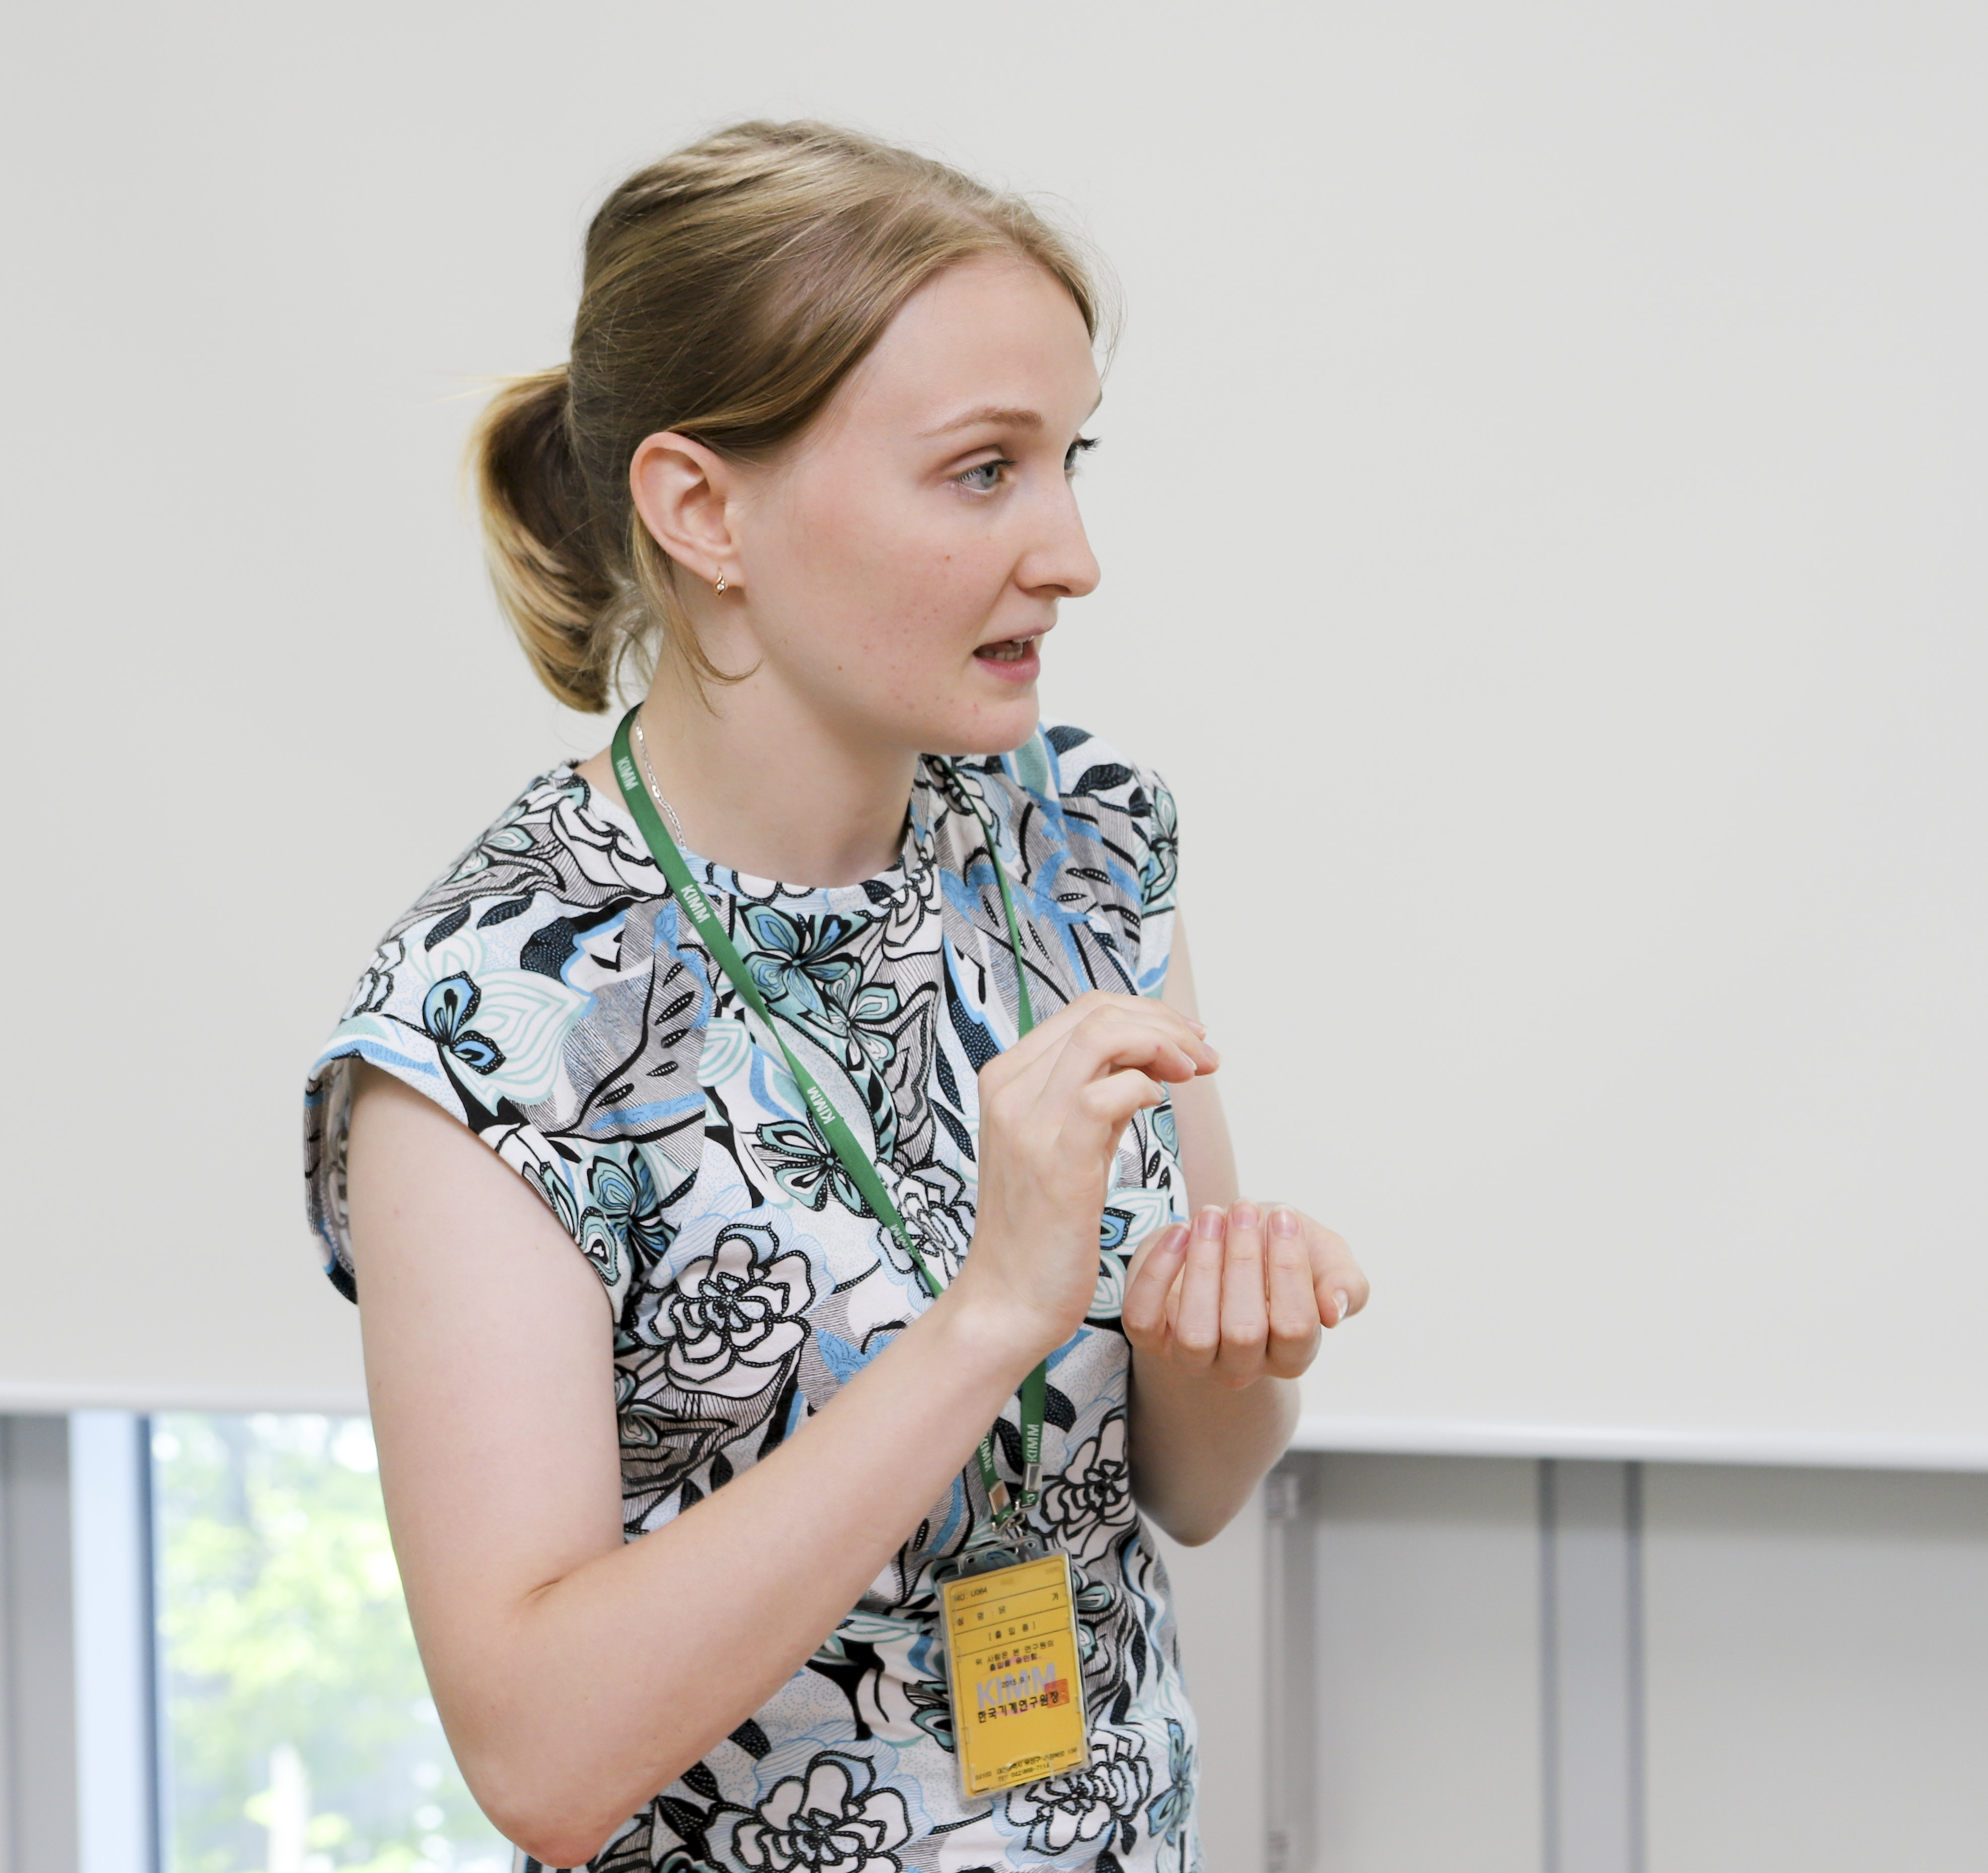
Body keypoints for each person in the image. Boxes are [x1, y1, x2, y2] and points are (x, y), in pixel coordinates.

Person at [304, 120, 1368, 1873]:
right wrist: (985, 1320)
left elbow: (1187, 1487)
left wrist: (1228, 1347)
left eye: (1070, 459)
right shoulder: (488, 1024)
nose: (1074, 552)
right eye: (982, 472)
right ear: (701, 507)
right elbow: (544, 1765)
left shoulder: (1082, 849)